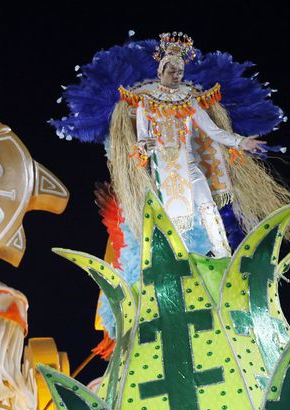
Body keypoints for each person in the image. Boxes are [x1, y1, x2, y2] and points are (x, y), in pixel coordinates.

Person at [112, 32, 276, 258]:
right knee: (175, 219)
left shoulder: (188, 101)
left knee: (208, 205)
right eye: (172, 70)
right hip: (167, 172)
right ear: (160, 71)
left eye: (180, 71)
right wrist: (146, 147)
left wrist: (241, 141)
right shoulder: (146, 104)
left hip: (190, 165)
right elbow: (142, 141)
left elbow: (213, 131)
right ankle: (180, 258)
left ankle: (222, 253)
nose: (177, 75)